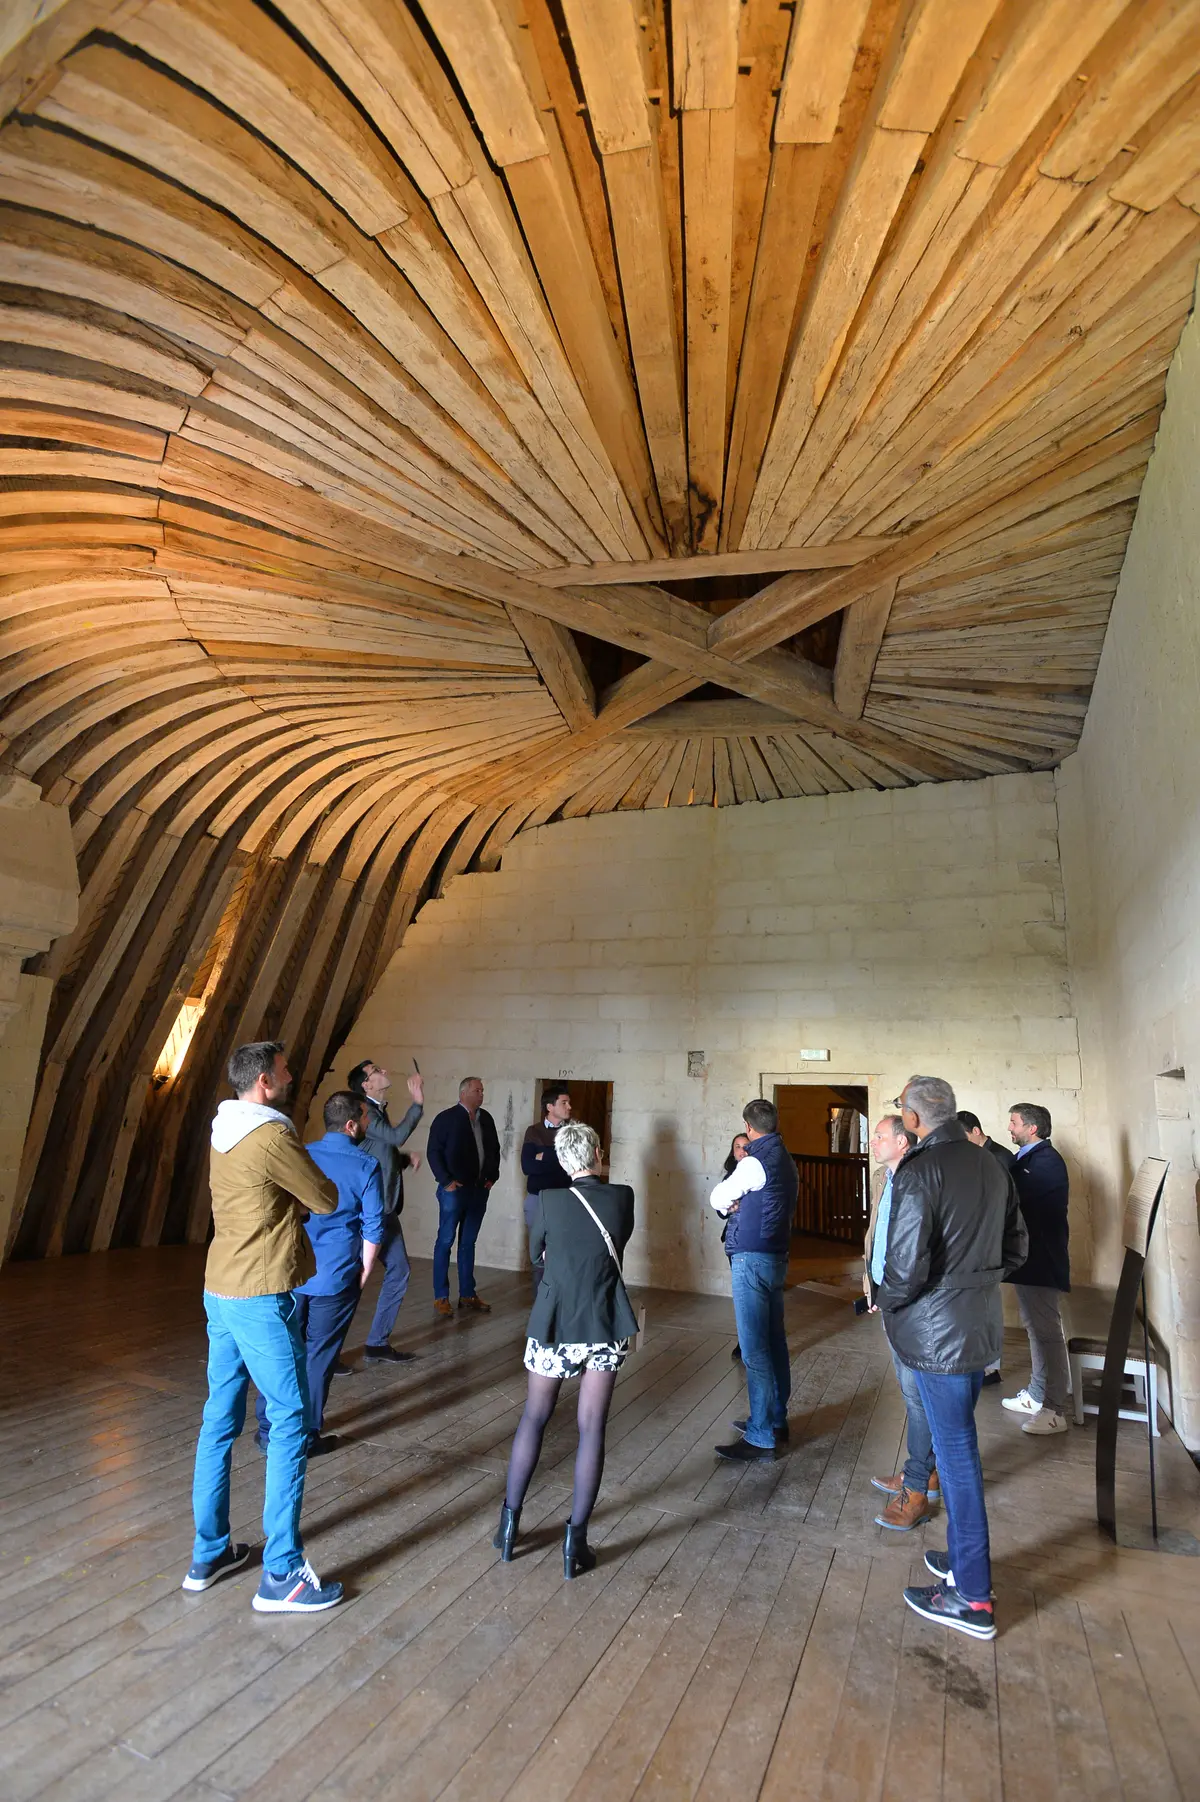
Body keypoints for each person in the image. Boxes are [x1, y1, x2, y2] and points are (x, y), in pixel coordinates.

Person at [182, 1040, 344, 1614]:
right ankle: (281, 1574)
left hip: (218, 1287)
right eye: (283, 1069)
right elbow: (322, 1198)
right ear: (265, 1084)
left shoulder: (220, 1128)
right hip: (259, 1291)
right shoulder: (272, 1134)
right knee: (291, 1419)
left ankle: (210, 1552)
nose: (291, 1073)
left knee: (218, 1420)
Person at [879, 1076, 1026, 1642]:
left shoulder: (919, 1170)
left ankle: (972, 1598)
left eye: (901, 1111)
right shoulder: (992, 1163)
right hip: (978, 1325)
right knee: (955, 1441)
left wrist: (887, 1303)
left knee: (957, 1456)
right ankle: (964, 1561)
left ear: (914, 1119)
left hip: (936, 1335)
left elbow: (906, 1267)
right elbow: (1017, 1247)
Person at [493, 1120, 637, 1579]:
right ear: (597, 1153)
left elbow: (536, 1254)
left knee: (535, 1417)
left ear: (561, 1159)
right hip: (604, 1319)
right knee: (591, 1427)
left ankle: (510, 1530)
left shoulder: (550, 1202)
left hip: (555, 1321)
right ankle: (576, 1544)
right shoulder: (623, 1198)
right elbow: (616, 1246)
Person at [253, 1092, 383, 1457]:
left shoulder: (301, 1153)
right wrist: (364, 1272)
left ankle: (267, 1427)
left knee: (282, 1348)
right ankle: (304, 1435)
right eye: (366, 1118)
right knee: (319, 1356)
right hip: (337, 1274)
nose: (370, 1123)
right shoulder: (366, 1165)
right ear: (352, 1124)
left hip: (291, 1270)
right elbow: (373, 1228)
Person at [708, 1097, 798, 1462]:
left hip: (751, 1258)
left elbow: (719, 1194)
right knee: (774, 1342)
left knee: (754, 1348)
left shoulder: (754, 1162)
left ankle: (761, 1434)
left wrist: (728, 1204)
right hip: (776, 1256)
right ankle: (776, 1419)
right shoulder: (785, 1158)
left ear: (749, 1127)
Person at [863, 1114, 941, 1530]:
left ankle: (919, 1482)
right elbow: (877, 1237)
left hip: (909, 1302)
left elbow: (915, 1249)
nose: (873, 1142)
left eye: (879, 1136)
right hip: (889, 1297)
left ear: (902, 1140)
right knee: (909, 1392)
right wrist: (873, 1288)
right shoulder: (886, 1178)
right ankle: (921, 1472)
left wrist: (892, 1295)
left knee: (916, 1394)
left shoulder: (919, 1180)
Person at [346, 1057, 423, 1362]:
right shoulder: (364, 1111)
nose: (384, 1071)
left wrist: (402, 1159)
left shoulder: (376, 1112)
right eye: (377, 1071)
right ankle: (326, 1350)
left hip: (383, 1210)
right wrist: (417, 1103)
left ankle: (376, 1342)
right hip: (368, 1213)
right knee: (351, 1280)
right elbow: (394, 1137)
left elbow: (379, 1152)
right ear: (366, 1085)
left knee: (399, 1270)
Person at [1002, 1102, 1072, 1436]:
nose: (1010, 1128)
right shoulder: (1028, 1159)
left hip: (1041, 1259)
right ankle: (1036, 1394)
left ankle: (1056, 1409)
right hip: (1030, 1260)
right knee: (1034, 1328)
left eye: (1014, 1123)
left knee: (1046, 1332)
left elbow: (1019, 1200)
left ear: (1032, 1128)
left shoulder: (1045, 1161)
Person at [426, 1077, 501, 1317]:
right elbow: (433, 1151)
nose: (481, 1094)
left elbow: (494, 1150)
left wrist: (492, 1176)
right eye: (477, 1090)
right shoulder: (446, 1118)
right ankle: (441, 1297)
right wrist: (446, 1181)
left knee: (468, 1243)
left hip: (479, 1190)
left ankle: (468, 1294)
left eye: (482, 1089)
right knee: (445, 1242)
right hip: (454, 1191)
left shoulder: (485, 1118)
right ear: (464, 1092)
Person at [955, 1111, 1014, 1386]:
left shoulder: (999, 1158)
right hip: (982, 1243)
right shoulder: (976, 1157)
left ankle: (990, 1368)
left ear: (976, 1131)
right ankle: (982, 1364)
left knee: (988, 1307)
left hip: (992, 1243)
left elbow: (1006, 1205)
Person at [521, 1085, 572, 1294]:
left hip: (564, 1199)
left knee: (561, 1248)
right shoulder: (533, 1132)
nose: (570, 1106)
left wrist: (545, 1156)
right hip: (538, 1198)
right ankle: (541, 1296)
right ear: (550, 1107)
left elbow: (574, 1165)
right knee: (538, 1249)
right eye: (564, 1102)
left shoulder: (573, 1131)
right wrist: (558, 1157)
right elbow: (528, 1166)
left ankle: (560, 1295)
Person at [722, 1132, 749, 1363]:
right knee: (740, 1295)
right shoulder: (730, 1176)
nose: (741, 1151)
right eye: (737, 1147)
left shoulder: (757, 1174)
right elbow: (720, 1208)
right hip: (733, 1241)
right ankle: (744, 1340)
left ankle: (750, 1341)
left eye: (744, 1146)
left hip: (751, 1240)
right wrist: (729, 1208)